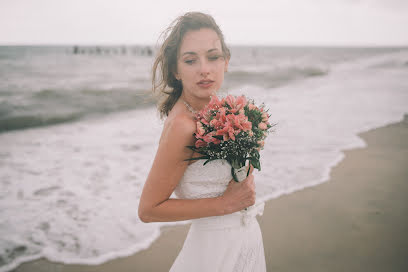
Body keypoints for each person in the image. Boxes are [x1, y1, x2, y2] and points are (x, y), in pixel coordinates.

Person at [138, 11, 266, 271]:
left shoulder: (220, 114)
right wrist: (225, 204)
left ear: (226, 61)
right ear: (175, 69)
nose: (205, 69)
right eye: (190, 60)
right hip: (214, 255)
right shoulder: (183, 126)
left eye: (213, 56)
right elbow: (148, 210)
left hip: (242, 241)